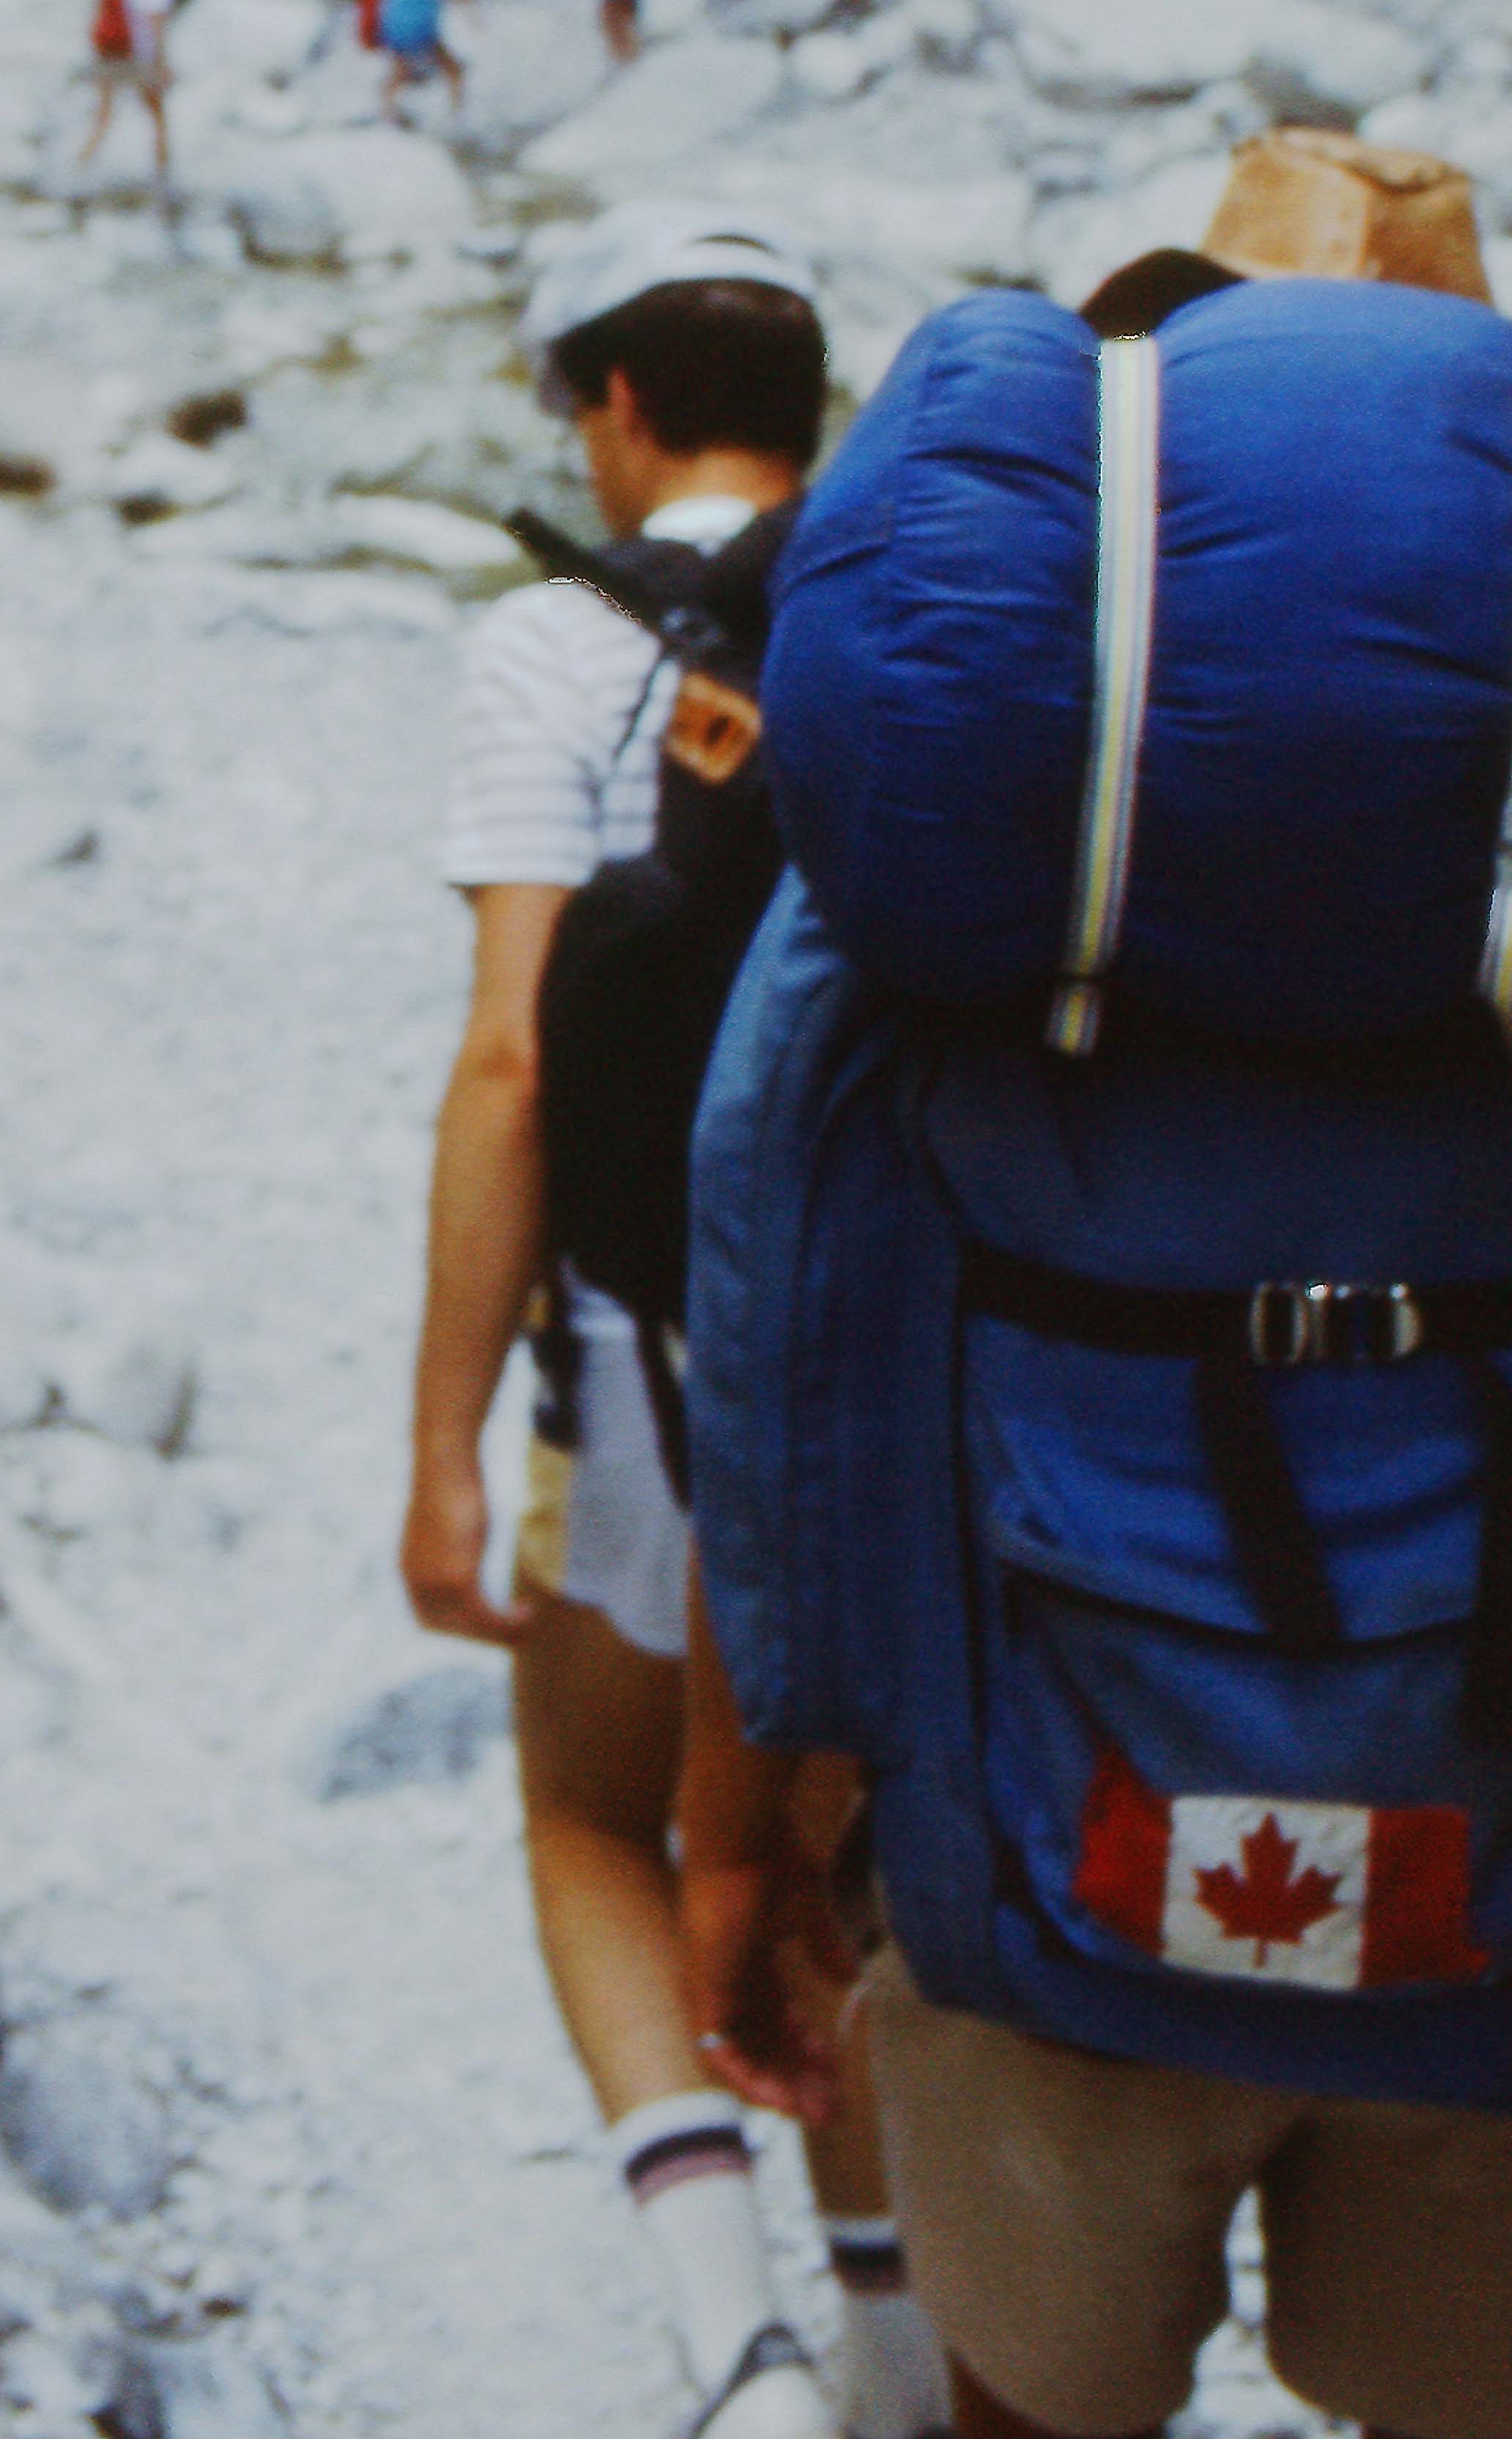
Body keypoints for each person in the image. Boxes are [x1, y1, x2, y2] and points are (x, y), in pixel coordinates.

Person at [676, 178, 1512, 2439]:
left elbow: (795, 1351)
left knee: (1032, 2415)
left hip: (1047, 1930)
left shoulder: (990, 850)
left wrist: (740, 1825)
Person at [406, 210, 947, 2439]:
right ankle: (903, 2338)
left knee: (595, 1815)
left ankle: (737, 2355)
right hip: (913, 1353)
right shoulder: (925, 607)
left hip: (649, 1357)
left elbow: (512, 1059)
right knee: (834, 1843)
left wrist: (443, 1443)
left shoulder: (559, 644)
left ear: (619, 405)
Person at [74, 0, 181, 185]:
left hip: (106, 49)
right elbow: (155, 19)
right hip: (139, 53)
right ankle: (163, 175)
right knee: (157, 116)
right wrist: (161, 62)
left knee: (103, 114)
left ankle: (79, 171)